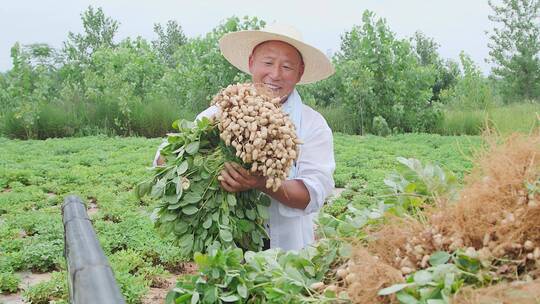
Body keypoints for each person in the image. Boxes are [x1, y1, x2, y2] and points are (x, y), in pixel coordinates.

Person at [154, 23, 335, 251]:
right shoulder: (220, 111)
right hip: (227, 247)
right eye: (268, 63)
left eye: (287, 66)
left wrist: (261, 183)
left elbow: (313, 193)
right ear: (251, 63)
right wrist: (204, 158)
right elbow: (163, 159)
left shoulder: (313, 125)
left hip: (287, 252)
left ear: (299, 73)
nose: (275, 74)